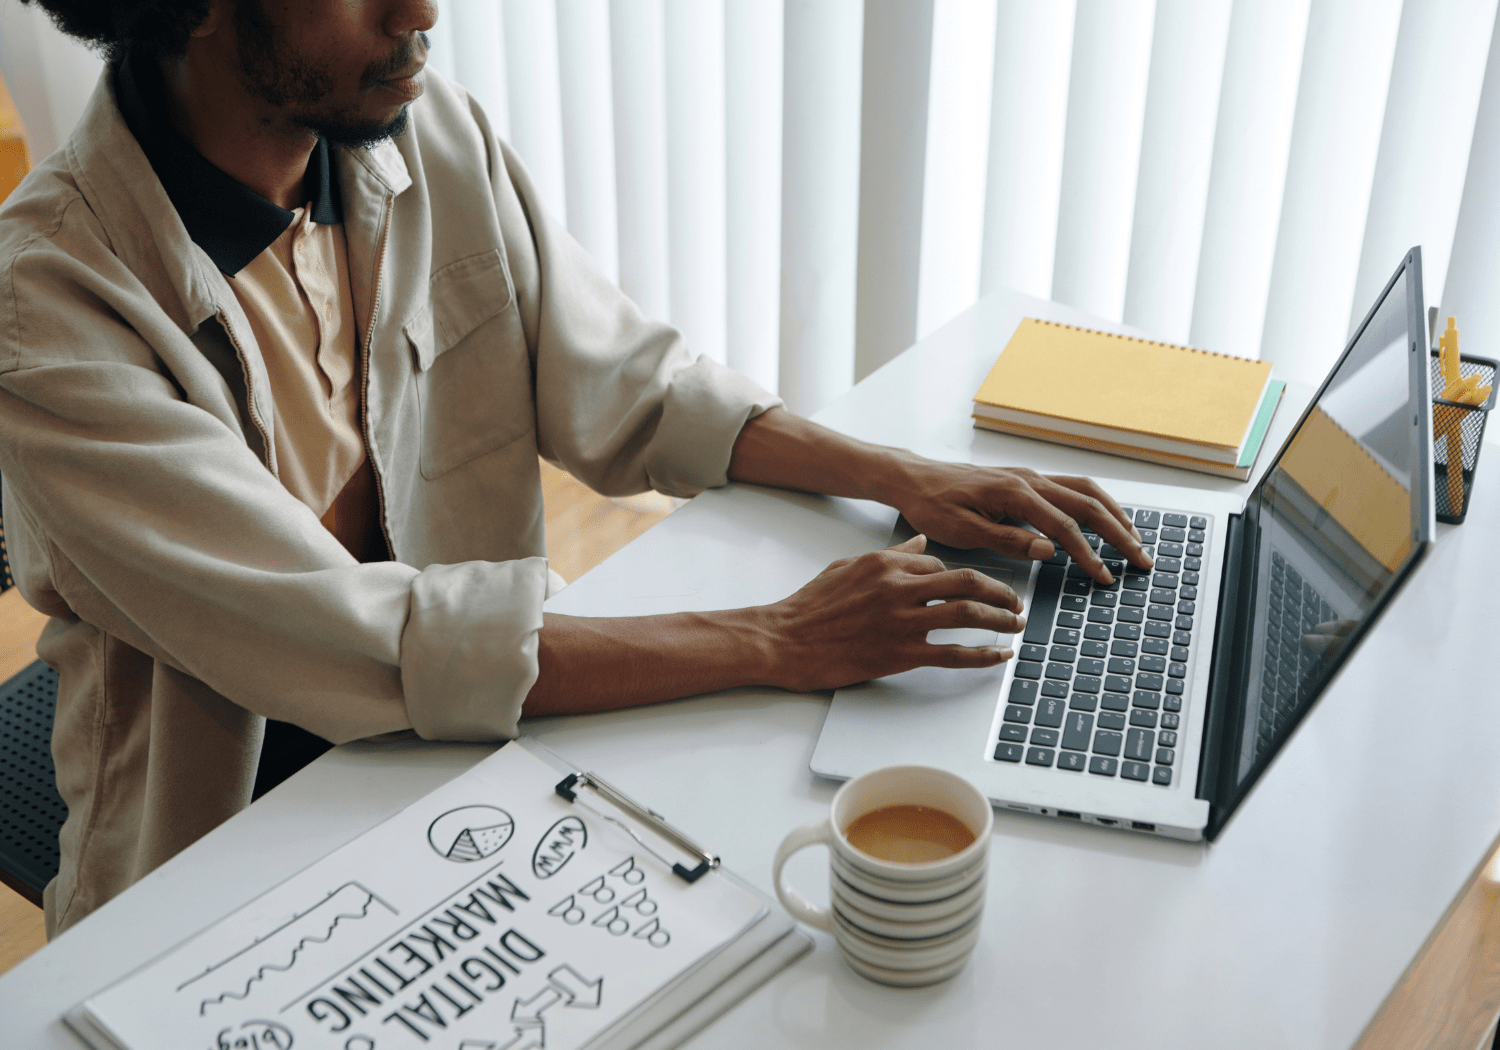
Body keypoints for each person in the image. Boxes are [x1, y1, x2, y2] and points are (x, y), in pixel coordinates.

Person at [0, 0, 1151, 935]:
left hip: (479, 766)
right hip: (222, 864)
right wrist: (779, 639)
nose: (421, 12)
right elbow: (347, 634)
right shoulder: (45, 308)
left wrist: (899, 474)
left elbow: (628, 385)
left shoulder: (422, 129)